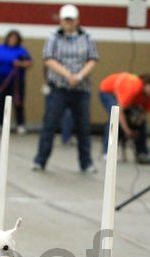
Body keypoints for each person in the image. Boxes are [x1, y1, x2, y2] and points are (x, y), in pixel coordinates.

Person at [33, 4, 99, 173]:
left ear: (77, 20)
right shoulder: (53, 37)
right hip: (59, 88)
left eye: (71, 19)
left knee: (83, 127)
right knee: (50, 124)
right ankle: (40, 160)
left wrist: (79, 76)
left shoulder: (88, 38)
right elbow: (48, 59)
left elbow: (92, 59)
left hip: (81, 89)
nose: (68, 23)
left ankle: (86, 163)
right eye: (65, 19)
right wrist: (68, 75)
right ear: (61, 20)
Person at [99, 72, 150, 163]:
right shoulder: (133, 87)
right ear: (145, 84)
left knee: (140, 122)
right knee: (114, 118)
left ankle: (142, 152)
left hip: (128, 98)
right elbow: (119, 112)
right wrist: (127, 130)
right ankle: (108, 152)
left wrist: (136, 124)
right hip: (108, 91)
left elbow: (144, 112)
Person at [0, 30, 32, 134]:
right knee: (1, 102)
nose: (13, 40)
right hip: (2, 78)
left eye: (15, 38)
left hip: (16, 80)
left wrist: (19, 63)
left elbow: (28, 62)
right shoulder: (0, 48)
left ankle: (20, 124)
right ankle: (0, 124)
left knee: (18, 102)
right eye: (11, 38)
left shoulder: (21, 50)